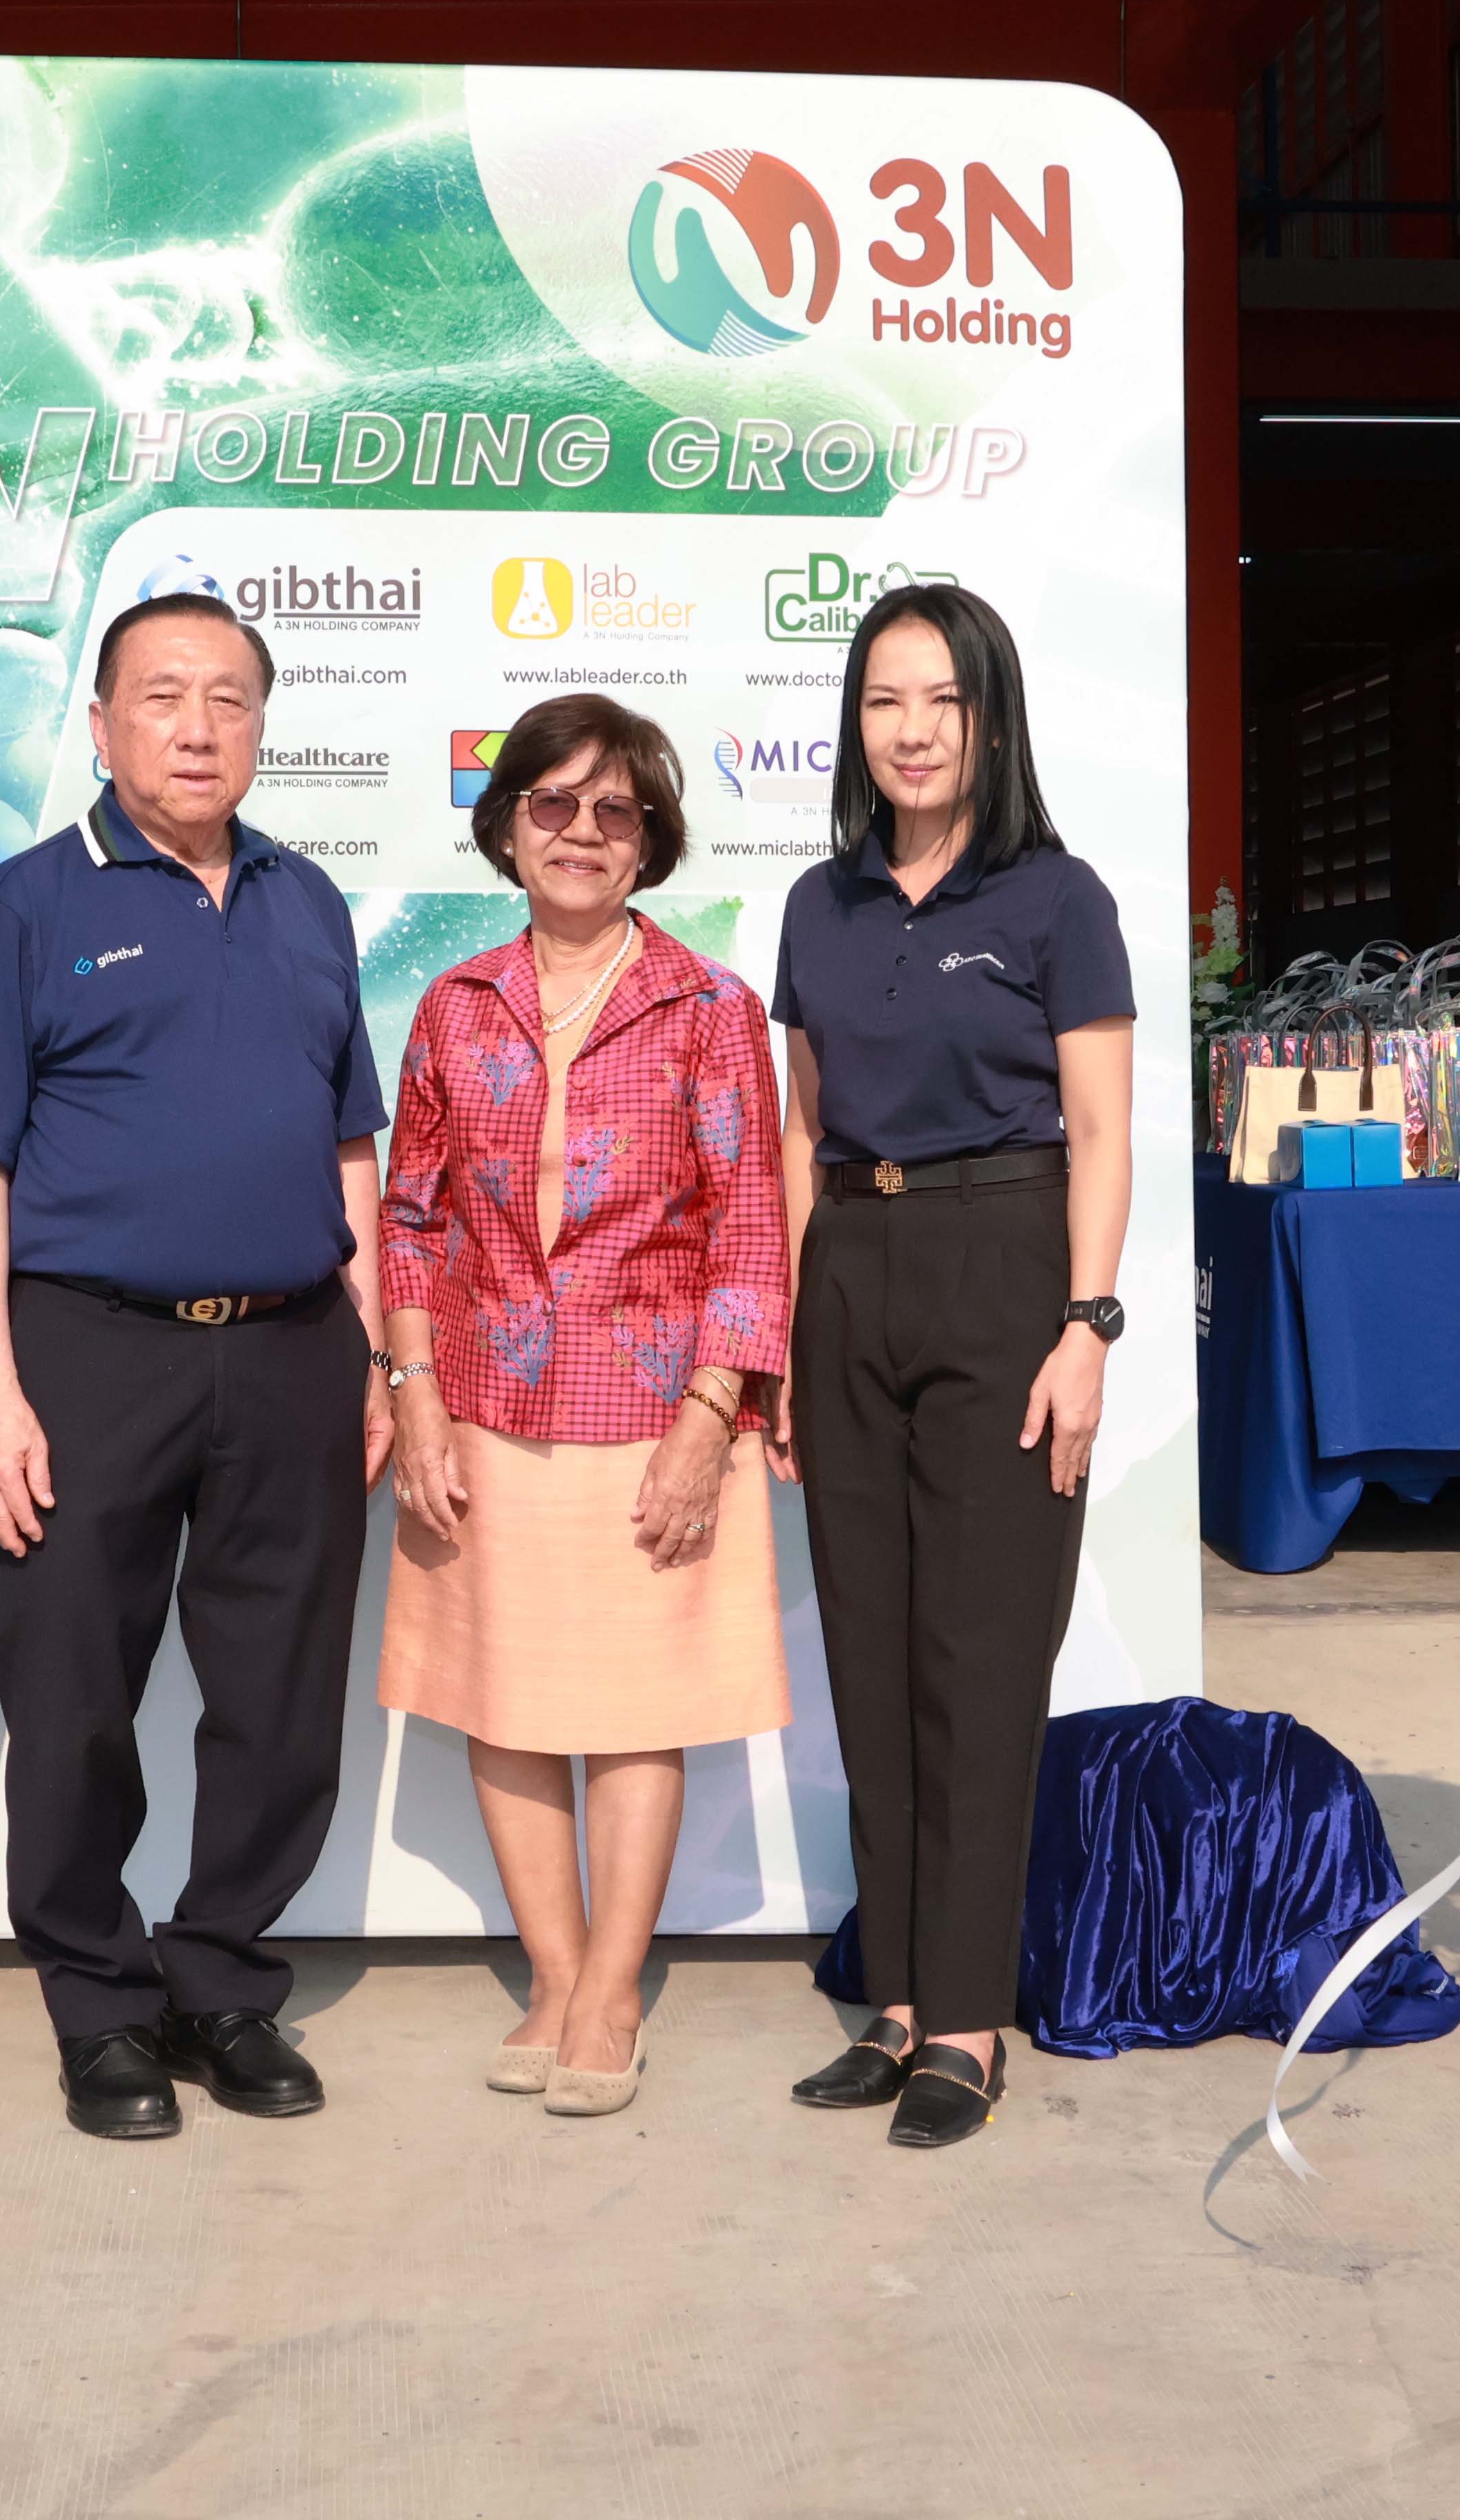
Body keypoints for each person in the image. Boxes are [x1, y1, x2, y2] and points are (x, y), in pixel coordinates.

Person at [0, 590, 395, 2142]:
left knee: (281, 1694)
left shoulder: (309, 901)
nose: (198, 727)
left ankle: (225, 1983)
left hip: (296, 1346)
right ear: (103, 721)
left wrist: (378, 1353)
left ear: (262, 725)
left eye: (229, 699)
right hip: (88, 1348)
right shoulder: (27, 907)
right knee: (73, 1694)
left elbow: (350, 1143)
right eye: (164, 695)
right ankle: (101, 2005)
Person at [376, 697, 791, 2120]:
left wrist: (710, 1419)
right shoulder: (454, 1003)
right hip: (482, 1406)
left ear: (649, 841)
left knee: (631, 1710)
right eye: (553, 804)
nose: (582, 833)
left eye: (617, 811)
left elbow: (752, 1225)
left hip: (655, 1411)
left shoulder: (711, 1008)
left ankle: (613, 1990)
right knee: (501, 1700)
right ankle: (552, 1976)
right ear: (508, 827)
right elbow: (410, 1217)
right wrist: (414, 1395)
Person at [769, 582, 1136, 2150]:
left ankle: (971, 2021)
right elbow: (801, 1128)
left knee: (979, 1664)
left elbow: (1104, 1131)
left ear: (992, 717)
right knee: (871, 1656)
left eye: (943, 699)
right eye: (883, 700)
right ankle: (902, 1998)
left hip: (1005, 1268)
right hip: (851, 1269)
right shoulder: (819, 904)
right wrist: (790, 1338)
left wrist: (1087, 1327)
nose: (911, 731)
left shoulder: (1057, 899)